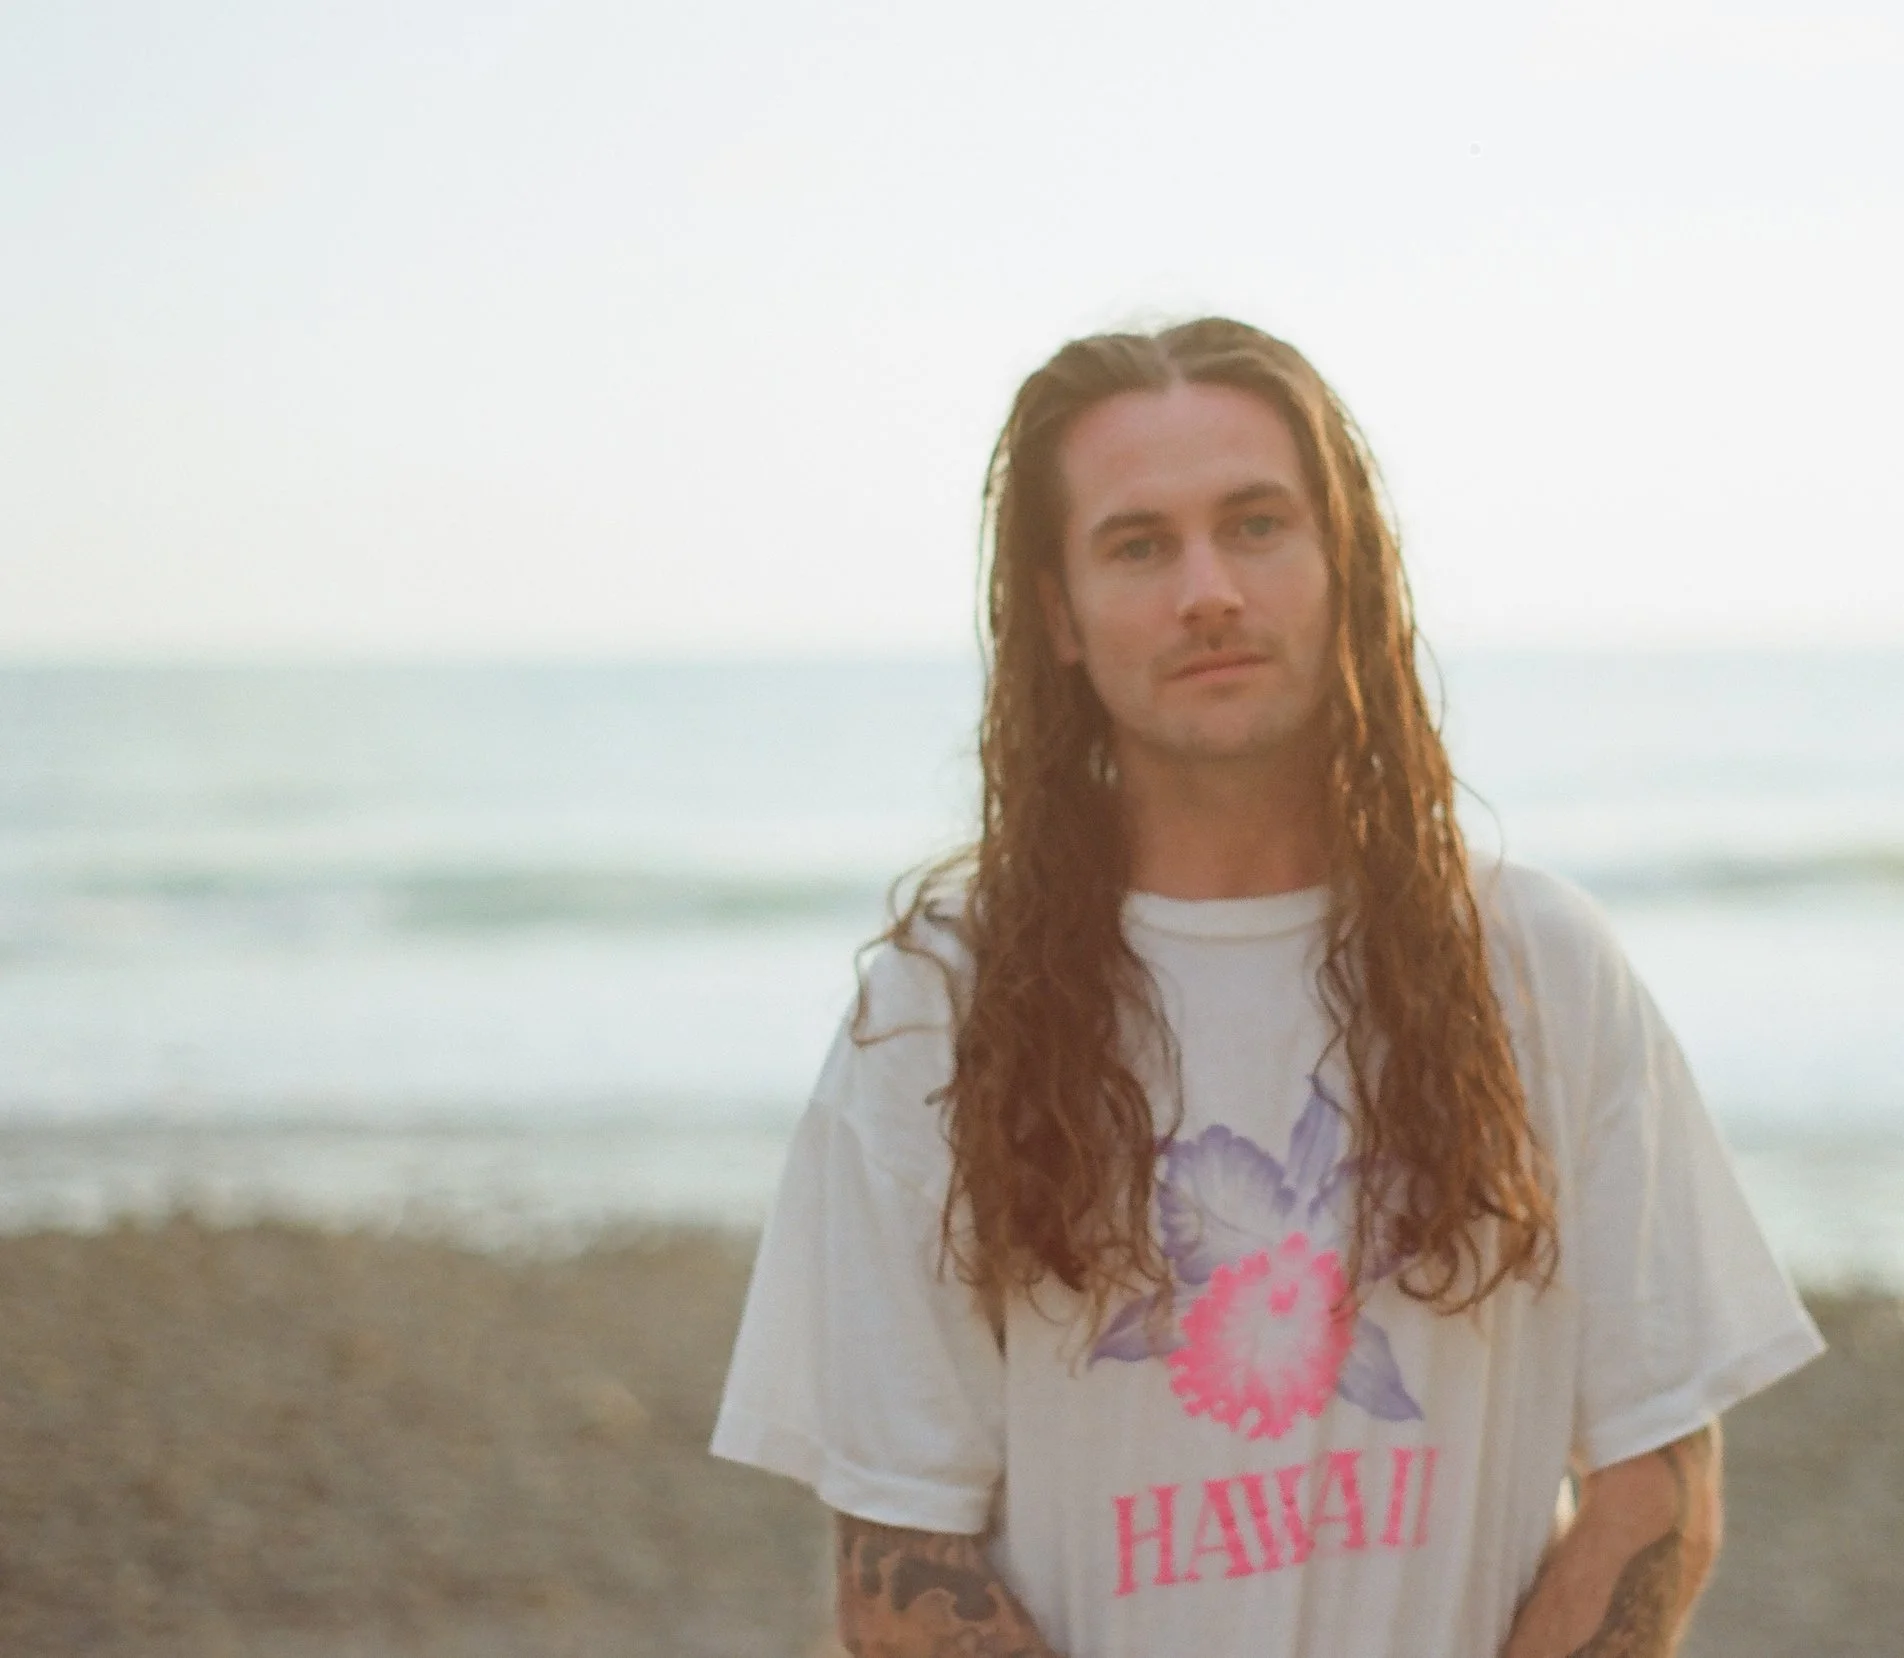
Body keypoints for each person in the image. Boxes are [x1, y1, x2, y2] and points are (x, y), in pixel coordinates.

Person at [710, 316, 1823, 1658]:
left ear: (1342, 564)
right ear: (1057, 614)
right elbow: (904, 1567)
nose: (1207, 591)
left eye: (1255, 525)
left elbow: (1659, 1487)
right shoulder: (939, 1012)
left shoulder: (1536, 966)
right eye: (1139, 544)